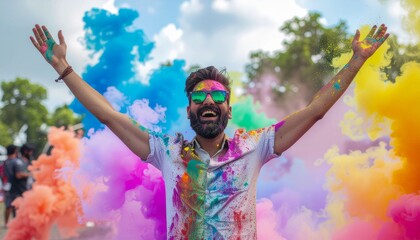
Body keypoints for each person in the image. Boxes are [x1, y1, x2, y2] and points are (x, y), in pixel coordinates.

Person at [30, 24, 389, 239]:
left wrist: (356, 60)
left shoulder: (257, 146)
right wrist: (65, 68)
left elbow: (315, 111)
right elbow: (109, 116)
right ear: (189, 108)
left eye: (218, 95)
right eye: (199, 95)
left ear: (229, 109)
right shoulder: (166, 151)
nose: (209, 101)